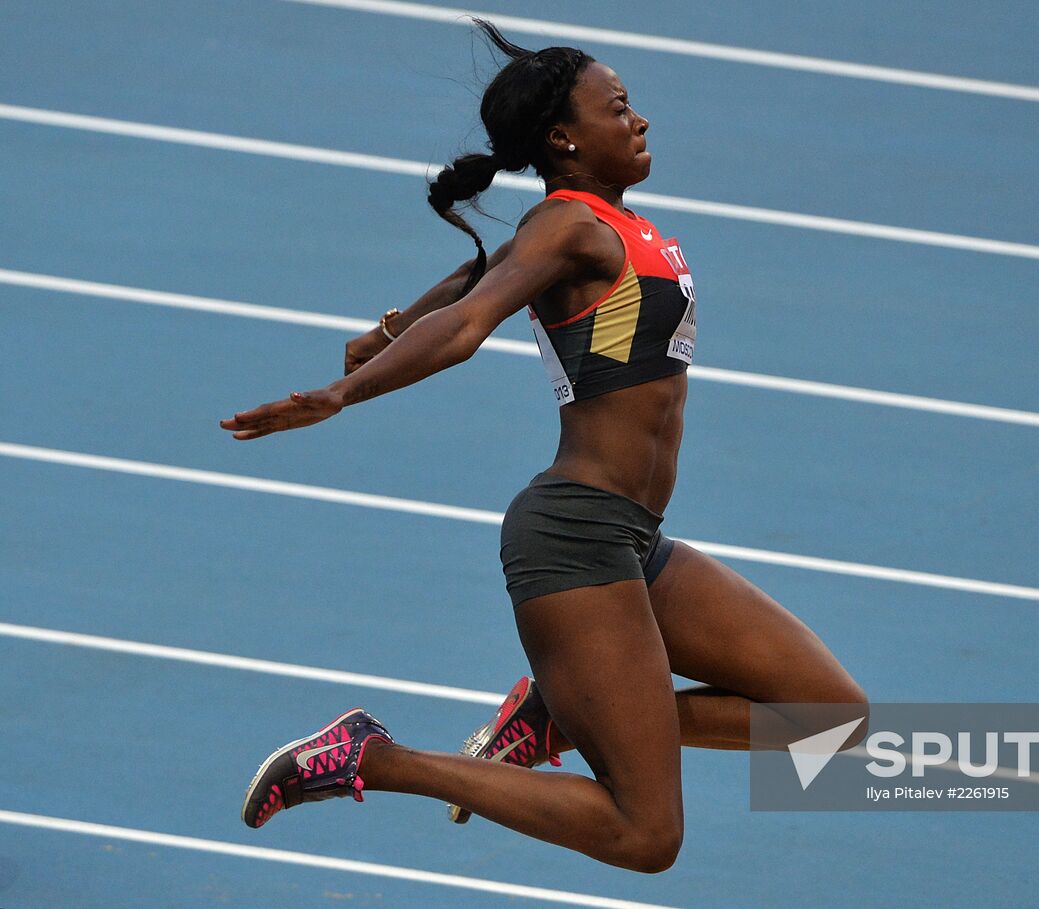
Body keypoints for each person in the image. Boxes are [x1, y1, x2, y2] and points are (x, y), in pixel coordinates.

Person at [220, 21, 866, 874]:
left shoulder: (602, 226)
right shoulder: (567, 225)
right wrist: (347, 391)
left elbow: (477, 276)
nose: (641, 120)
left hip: (632, 539)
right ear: (564, 138)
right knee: (646, 834)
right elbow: (469, 322)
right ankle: (373, 756)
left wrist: (386, 329)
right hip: (574, 538)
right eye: (619, 107)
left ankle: (557, 718)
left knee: (836, 720)